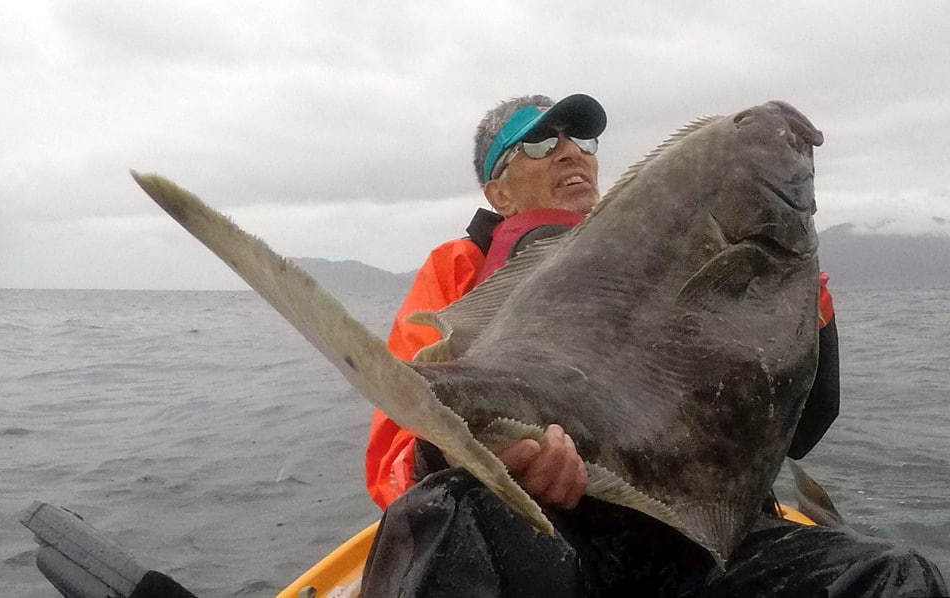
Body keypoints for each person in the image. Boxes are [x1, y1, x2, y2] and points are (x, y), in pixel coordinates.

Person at [361, 94, 947, 596]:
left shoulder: (700, 235)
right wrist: (482, 459)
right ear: (499, 193)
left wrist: (799, 293)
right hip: (552, 539)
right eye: (538, 144)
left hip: (707, 543)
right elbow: (400, 456)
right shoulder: (455, 270)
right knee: (447, 510)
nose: (570, 152)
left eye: (581, 139)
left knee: (899, 577)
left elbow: (804, 429)